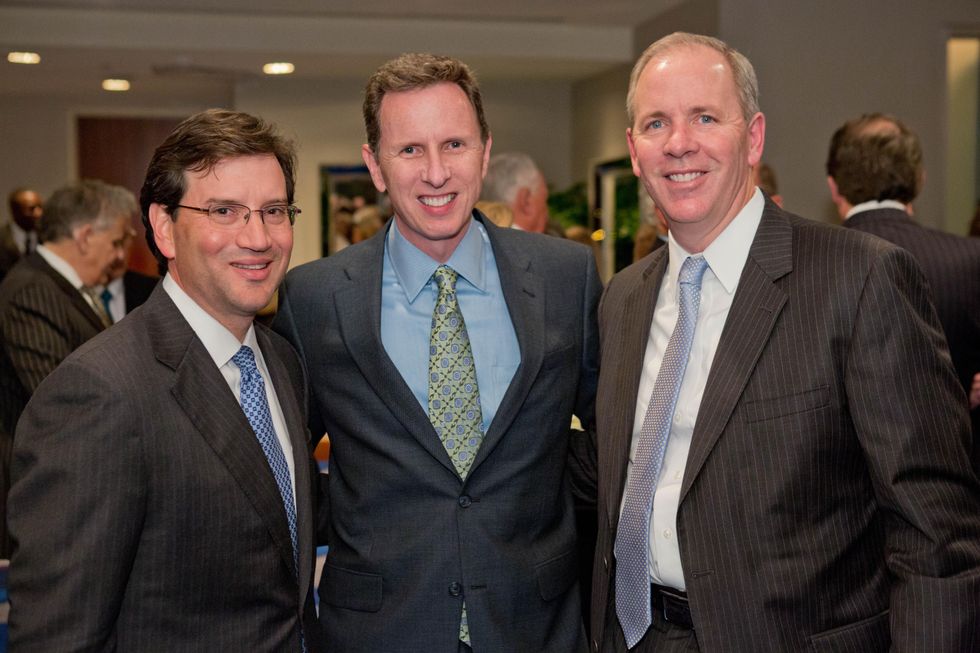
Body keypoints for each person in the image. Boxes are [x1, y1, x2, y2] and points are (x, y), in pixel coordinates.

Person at [591, 32, 980, 652]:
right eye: (656, 123)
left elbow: (937, 536)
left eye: (705, 117)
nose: (679, 142)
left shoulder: (860, 279)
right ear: (635, 152)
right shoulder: (622, 300)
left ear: (753, 138)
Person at [274, 53, 600, 652]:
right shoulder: (315, 297)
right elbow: (284, 469)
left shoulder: (565, 277)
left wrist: (543, 490)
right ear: (375, 165)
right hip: (377, 629)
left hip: (535, 627)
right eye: (409, 150)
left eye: (454, 144)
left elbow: (617, 435)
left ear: (483, 149)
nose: (435, 172)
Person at [8, 109, 321, 651]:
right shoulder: (99, 392)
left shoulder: (284, 363)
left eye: (274, 211)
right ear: (163, 227)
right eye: (225, 211)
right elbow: (58, 634)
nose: (259, 237)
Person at [827, 112, 980, 463]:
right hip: (954, 471)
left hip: (839, 488)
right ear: (919, 179)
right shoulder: (970, 261)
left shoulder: (806, 265)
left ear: (834, 187)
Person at [0, 179, 132, 556]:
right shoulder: (34, 290)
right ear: (86, 235)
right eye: (118, 242)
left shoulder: (64, 288)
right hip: (44, 490)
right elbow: (60, 401)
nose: (121, 256)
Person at [482, 151, 552, 234]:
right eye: (544, 200)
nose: (547, 213)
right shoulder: (532, 245)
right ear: (526, 202)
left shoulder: (474, 241)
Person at [0, 187, 43, 281]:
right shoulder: (2, 239)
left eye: (40, 207)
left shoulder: (47, 237)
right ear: (15, 211)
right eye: (31, 209)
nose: (38, 213)